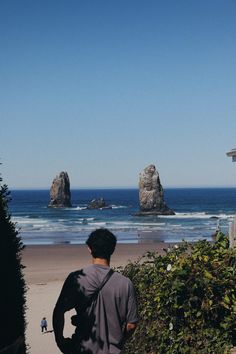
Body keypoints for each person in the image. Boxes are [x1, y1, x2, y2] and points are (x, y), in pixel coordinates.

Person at [53, 228, 138, 354]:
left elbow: (59, 311)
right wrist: (120, 342)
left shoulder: (76, 279)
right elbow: (131, 325)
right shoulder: (125, 283)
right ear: (113, 249)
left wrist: (60, 340)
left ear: (89, 249)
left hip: (82, 349)